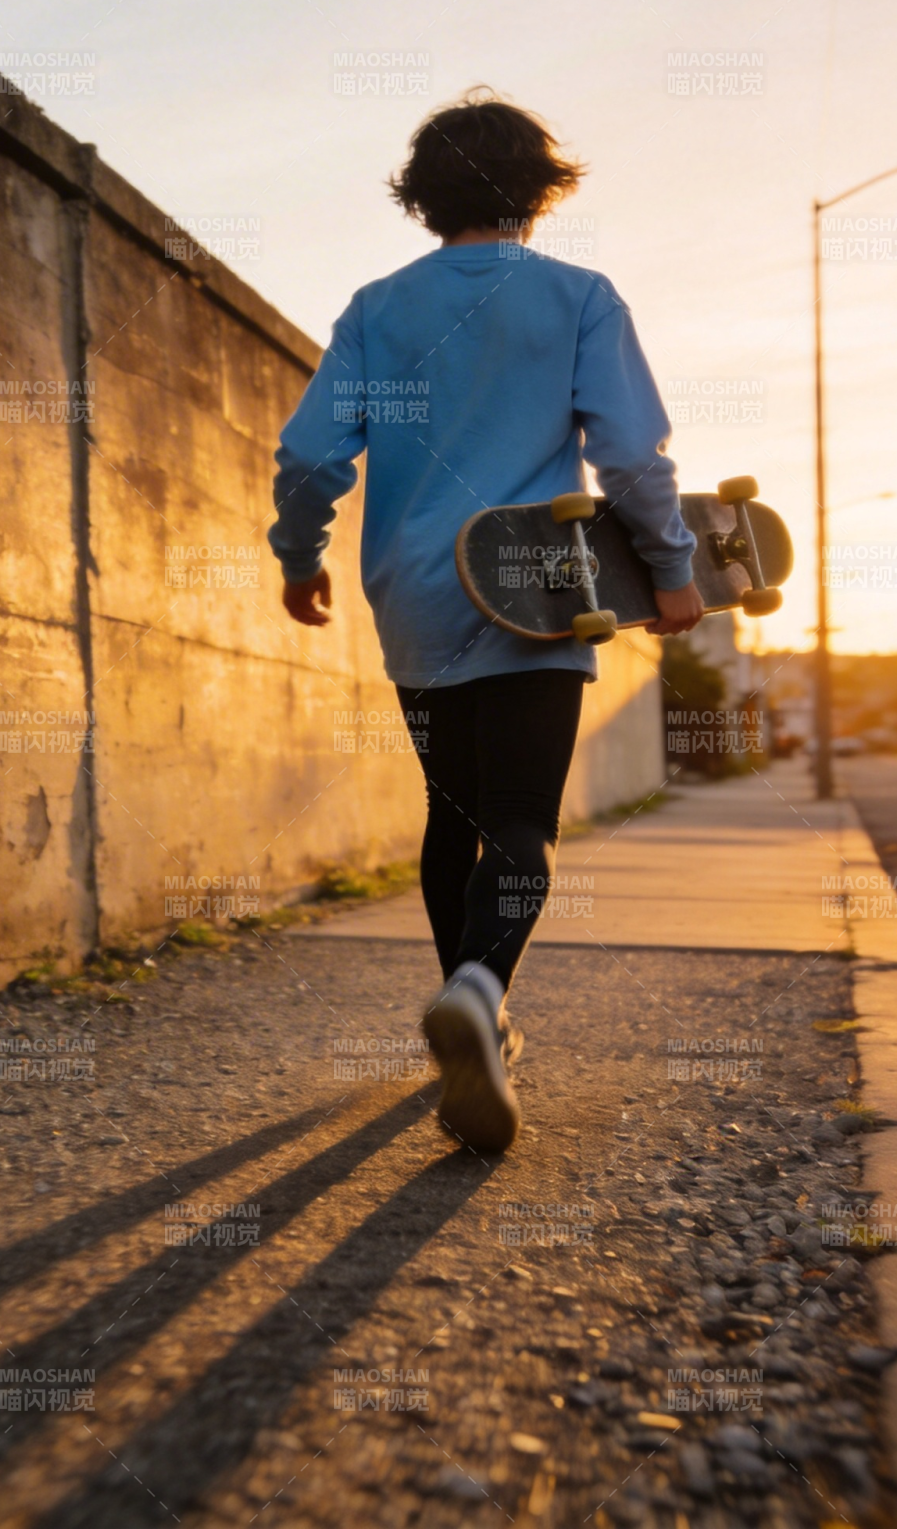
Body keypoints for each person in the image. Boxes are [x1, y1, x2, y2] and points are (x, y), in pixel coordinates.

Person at [268, 90, 703, 1154]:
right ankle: (478, 986)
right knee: (521, 817)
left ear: (424, 197)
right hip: (534, 589)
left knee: (449, 813)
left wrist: (298, 556)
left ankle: (471, 1010)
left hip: (414, 589)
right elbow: (631, 456)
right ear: (541, 191)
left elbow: (311, 456)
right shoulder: (578, 297)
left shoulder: (377, 306)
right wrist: (673, 567)